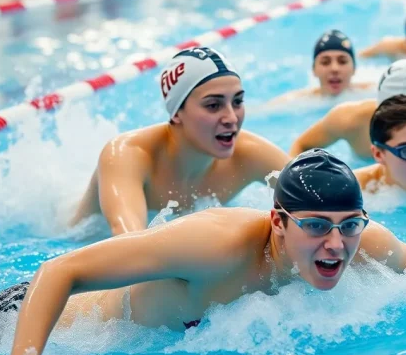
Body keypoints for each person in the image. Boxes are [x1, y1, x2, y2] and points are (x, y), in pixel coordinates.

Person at [0, 150, 406, 355]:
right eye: (317, 226)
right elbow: (60, 270)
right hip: (18, 321)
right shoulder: (215, 244)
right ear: (278, 221)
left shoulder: (360, 240)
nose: (337, 245)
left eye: (350, 226)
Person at [71, 47, 290, 236]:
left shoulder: (249, 153)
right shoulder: (128, 155)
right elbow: (129, 243)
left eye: (238, 101)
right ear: (176, 113)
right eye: (213, 105)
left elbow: (319, 191)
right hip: (80, 238)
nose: (232, 118)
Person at [264, 30, 374, 105]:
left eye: (342, 61)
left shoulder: (372, 93)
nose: (334, 68)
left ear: (354, 68)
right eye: (325, 62)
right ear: (314, 70)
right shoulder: (295, 102)